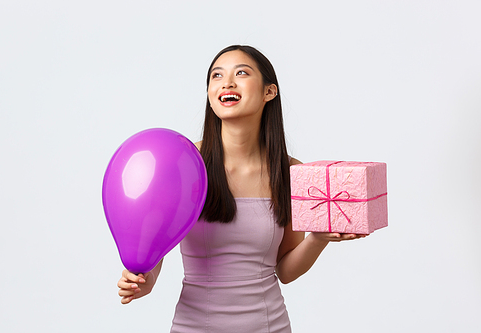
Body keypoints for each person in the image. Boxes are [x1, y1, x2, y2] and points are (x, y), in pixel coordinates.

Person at [117, 45, 365, 332]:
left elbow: (285, 270)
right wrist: (142, 280)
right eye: (217, 76)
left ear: (269, 92)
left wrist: (318, 238)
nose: (227, 83)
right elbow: (156, 244)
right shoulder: (182, 163)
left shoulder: (293, 172)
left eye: (242, 73)